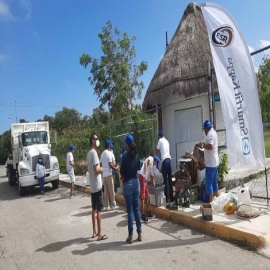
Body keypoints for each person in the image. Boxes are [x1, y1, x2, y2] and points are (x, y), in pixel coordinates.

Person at [120, 133, 142, 244]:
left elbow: (121, 172)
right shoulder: (137, 155)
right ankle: (140, 233)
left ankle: (130, 236)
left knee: (130, 211)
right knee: (136, 209)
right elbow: (139, 167)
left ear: (127, 144)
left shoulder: (124, 156)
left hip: (128, 183)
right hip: (136, 182)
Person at [87, 133, 108, 241]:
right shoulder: (94, 153)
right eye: (96, 138)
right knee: (99, 209)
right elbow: (96, 169)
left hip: (93, 186)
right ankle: (100, 233)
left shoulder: (89, 153)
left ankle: (94, 231)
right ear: (93, 141)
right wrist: (102, 169)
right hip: (97, 185)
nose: (97, 140)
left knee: (93, 209)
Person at [196, 120, 219, 202]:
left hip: (210, 163)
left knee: (209, 183)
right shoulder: (214, 132)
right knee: (214, 182)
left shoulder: (209, 134)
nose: (204, 131)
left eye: (204, 129)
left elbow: (210, 146)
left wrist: (202, 145)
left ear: (206, 128)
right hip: (215, 162)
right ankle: (218, 200)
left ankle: (211, 203)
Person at [139, 155, 160, 221]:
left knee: (147, 196)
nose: (156, 165)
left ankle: (147, 212)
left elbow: (151, 178)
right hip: (142, 176)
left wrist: (154, 186)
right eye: (156, 163)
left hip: (144, 179)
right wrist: (145, 174)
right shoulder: (151, 158)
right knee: (142, 196)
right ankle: (143, 214)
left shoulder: (152, 167)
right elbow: (145, 163)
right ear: (155, 161)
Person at [100, 140, 119, 211]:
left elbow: (101, 165)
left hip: (104, 175)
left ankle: (106, 206)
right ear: (109, 146)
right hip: (109, 174)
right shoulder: (109, 153)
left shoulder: (102, 154)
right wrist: (116, 168)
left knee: (105, 191)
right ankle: (113, 204)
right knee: (111, 190)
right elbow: (111, 164)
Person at [156, 130, 173, 203]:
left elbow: (156, 151)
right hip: (169, 160)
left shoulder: (160, 141)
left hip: (164, 161)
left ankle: (166, 198)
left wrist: (156, 152)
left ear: (159, 136)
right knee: (170, 179)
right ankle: (171, 198)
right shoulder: (166, 141)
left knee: (165, 180)